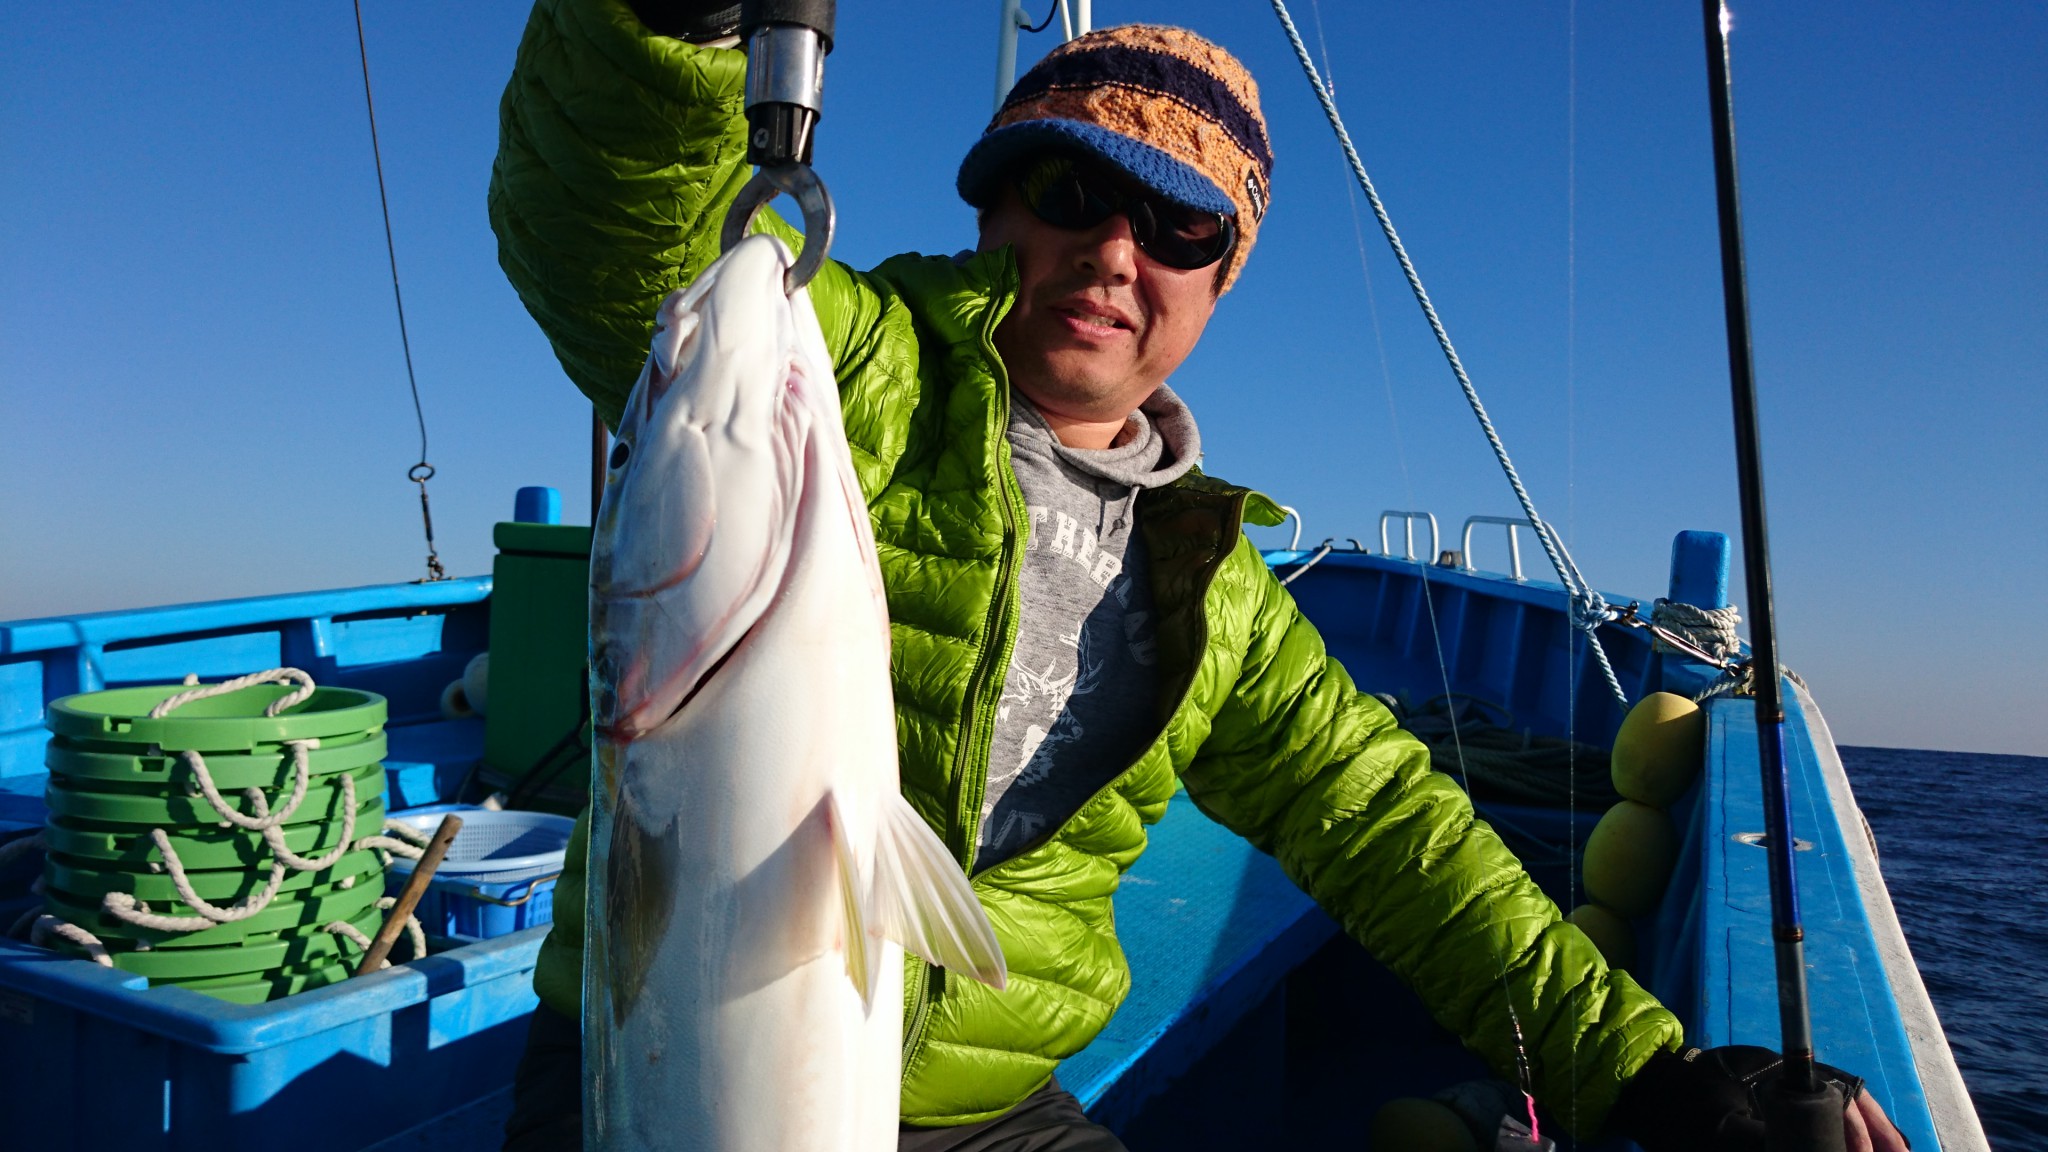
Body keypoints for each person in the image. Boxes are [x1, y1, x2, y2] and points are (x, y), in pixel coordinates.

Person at [487, 2, 1907, 1149]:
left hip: (981, 1110)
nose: (1115, 252)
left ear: (1220, 285)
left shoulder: (1216, 591)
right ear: (992, 212)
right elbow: (621, 237)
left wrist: (1647, 1077)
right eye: (1072, 190)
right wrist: (668, 31)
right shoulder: (843, 361)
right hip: (662, 1044)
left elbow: (1392, 835)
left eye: (1180, 228)